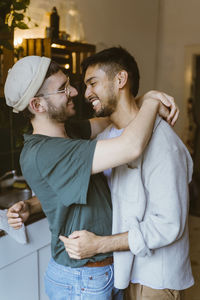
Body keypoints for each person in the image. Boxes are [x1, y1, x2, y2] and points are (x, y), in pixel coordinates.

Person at [5, 55, 177, 300]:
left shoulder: (69, 132)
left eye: (69, 83)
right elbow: (131, 146)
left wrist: (32, 204)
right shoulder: (47, 152)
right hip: (81, 280)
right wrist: (150, 101)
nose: (75, 92)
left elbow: (113, 117)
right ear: (37, 105)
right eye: (63, 89)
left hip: (99, 272)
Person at [57, 47, 194, 300]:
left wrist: (99, 244)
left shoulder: (163, 142)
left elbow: (168, 224)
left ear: (120, 80)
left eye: (93, 83)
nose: (86, 93)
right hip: (122, 272)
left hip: (155, 279)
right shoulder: (110, 139)